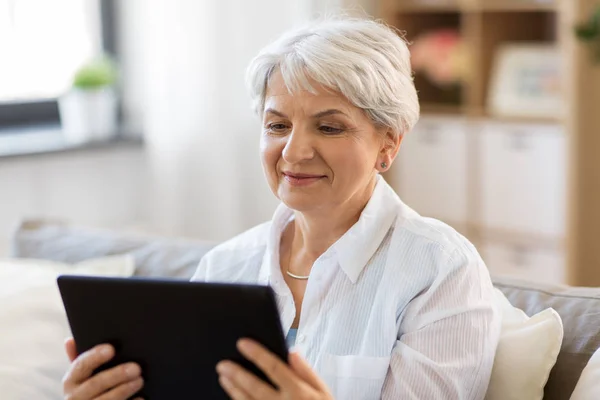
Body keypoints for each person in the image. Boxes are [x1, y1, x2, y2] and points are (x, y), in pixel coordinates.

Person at [62, 16, 500, 400]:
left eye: (328, 127)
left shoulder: (440, 270)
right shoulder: (224, 267)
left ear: (389, 142)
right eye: (277, 125)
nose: (293, 152)